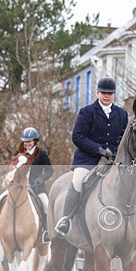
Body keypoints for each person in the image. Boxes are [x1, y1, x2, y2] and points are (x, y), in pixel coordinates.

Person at [54, 76, 128, 237]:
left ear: (114, 94)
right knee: (78, 181)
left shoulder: (122, 114)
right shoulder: (87, 112)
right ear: (97, 93)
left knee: (135, 181)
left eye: (110, 93)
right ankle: (66, 219)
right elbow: (77, 137)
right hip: (88, 159)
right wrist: (99, 149)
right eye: (103, 93)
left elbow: (123, 138)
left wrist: (115, 152)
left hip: (114, 160)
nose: (106, 96)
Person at [0, 127, 53, 243]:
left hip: (36, 188)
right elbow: (13, 169)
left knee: (46, 204)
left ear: (35, 141)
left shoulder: (42, 154)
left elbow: (50, 171)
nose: (27, 143)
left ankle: (45, 232)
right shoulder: (19, 153)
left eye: (29, 141)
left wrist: (40, 179)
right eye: (25, 141)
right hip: (18, 187)